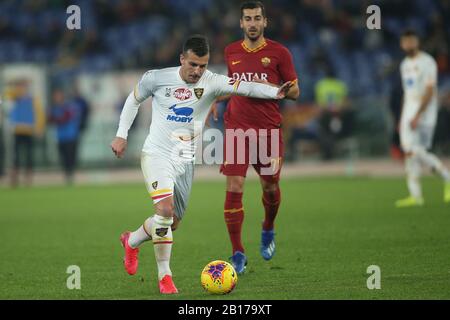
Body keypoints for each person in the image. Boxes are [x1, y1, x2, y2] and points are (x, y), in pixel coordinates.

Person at [110, 34, 293, 294]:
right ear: (182, 59)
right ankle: (165, 277)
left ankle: (132, 240)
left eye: (203, 66)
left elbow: (245, 86)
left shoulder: (212, 82)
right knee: (164, 209)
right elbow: (134, 99)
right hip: (157, 153)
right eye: (193, 64)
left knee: (171, 223)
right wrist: (121, 134)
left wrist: (275, 91)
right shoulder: (157, 77)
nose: (197, 71)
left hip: (186, 159)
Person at [210, 1, 300, 274]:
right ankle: (238, 252)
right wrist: (216, 97)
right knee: (234, 186)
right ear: (240, 23)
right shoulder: (231, 51)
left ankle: (268, 227)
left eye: (256, 18)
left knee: (270, 187)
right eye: (247, 18)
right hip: (237, 127)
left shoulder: (279, 53)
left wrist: (269, 87)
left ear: (264, 22)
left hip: (268, 130)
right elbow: (236, 86)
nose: (252, 23)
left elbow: (294, 92)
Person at [395, 29, 450, 208]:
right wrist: (403, 116)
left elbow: (429, 91)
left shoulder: (427, 62)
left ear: (417, 42)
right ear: (402, 44)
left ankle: (447, 177)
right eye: (405, 41)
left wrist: (418, 115)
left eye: (411, 41)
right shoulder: (404, 64)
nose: (408, 44)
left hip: (425, 112)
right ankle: (415, 195)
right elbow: (407, 92)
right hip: (409, 112)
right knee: (411, 153)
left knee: (414, 151)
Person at [8, 79, 45, 187]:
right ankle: (15, 177)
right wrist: (14, 87)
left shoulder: (32, 99)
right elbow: (6, 95)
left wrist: (39, 128)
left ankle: (28, 178)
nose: (22, 89)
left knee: (29, 155)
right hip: (18, 130)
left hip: (29, 130)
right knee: (16, 156)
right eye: (20, 86)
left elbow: (39, 114)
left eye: (23, 86)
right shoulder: (15, 98)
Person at [48, 89, 81, 185]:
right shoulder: (54, 108)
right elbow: (50, 120)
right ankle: (67, 174)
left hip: (70, 136)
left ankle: (70, 174)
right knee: (63, 157)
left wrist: (56, 119)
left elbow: (65, 117)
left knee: (70, 156)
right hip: (60, 136)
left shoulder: (68, 106)